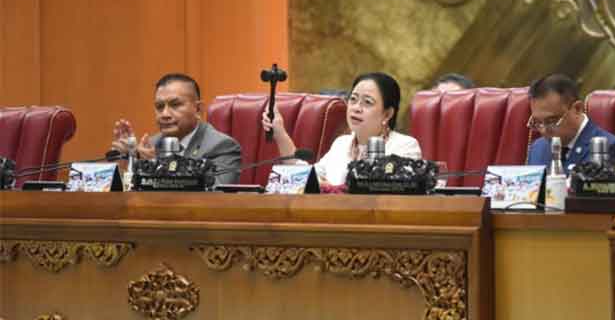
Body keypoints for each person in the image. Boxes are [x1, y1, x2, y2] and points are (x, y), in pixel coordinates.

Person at [262, 72, 422, 186]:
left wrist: (329, 188)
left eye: (367, 102)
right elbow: (306, 178)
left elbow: (390, 193)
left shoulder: (405, 146)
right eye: (353, 99)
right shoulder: (341, 144)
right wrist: (280, 133)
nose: (356, 108)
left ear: (387, 114)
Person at [111, 73, 242, 185]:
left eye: (175, 105)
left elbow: (215, 198)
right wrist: (126, 163)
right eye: (159, 106)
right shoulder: (151, 145)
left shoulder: (221, 146)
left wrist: (156, 168)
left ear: (198, 109)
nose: (165, 114)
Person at [527, 73, 615, 172]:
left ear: (577, 108)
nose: (544, 131)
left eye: (551, 121)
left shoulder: (608, 148)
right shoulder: (537, 149)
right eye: (538, 122)